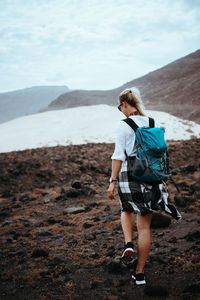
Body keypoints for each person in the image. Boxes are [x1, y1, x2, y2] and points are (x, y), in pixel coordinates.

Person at [107, 87, 181, 285]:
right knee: (145, 226)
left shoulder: (123, 125)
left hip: (129, 174)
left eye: (119, 107)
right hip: (152, 176)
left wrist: (112, 182)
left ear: (124, 104)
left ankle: (128, 243)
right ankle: (140, 274)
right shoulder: (152, 122)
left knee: (126, 208)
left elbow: (118, 155)